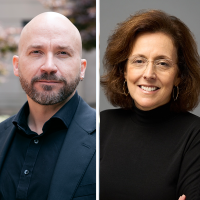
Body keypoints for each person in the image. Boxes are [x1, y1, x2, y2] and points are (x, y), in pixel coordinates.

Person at [100, 9, 200, 200]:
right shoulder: (102, 124)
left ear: (179, 76)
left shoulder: (195, 135)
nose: (149, 74)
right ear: (124, 71)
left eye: (162, 63)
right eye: (139, 61)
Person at [0, 12, 96, 200]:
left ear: (82, 68)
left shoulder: (104, 139)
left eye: (62, 53)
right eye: (36, 52)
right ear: (16, 65)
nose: (49, 66)